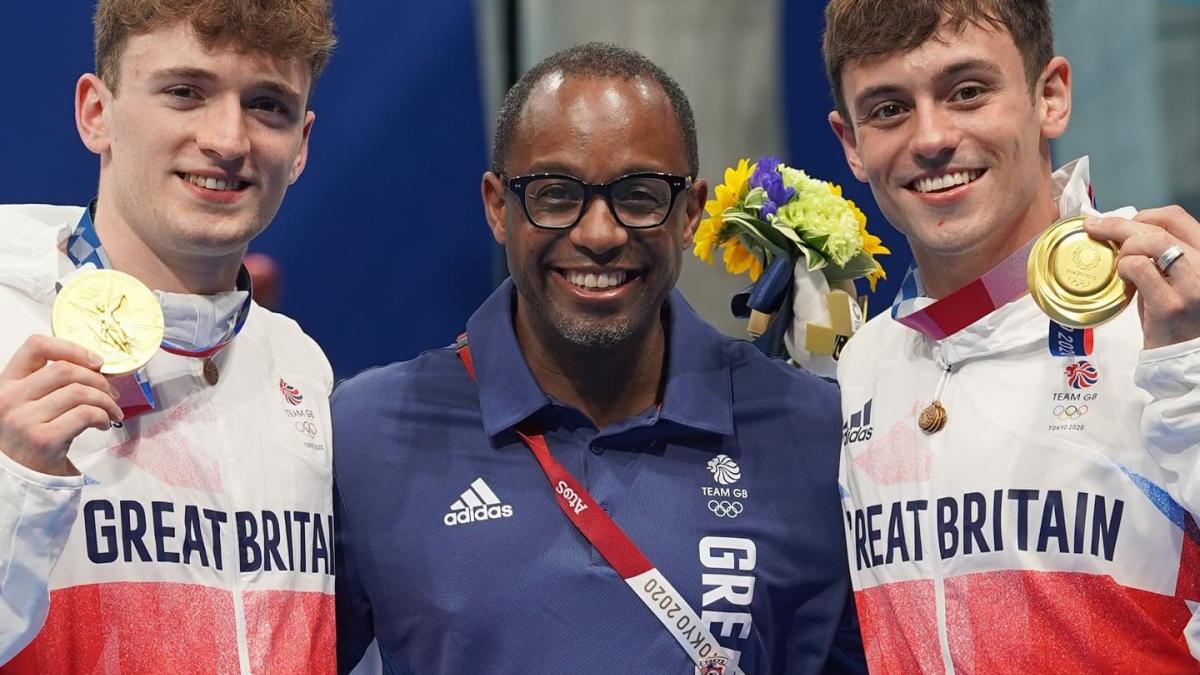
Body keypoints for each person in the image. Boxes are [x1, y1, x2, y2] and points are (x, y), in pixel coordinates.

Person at [332, 42, 865, 675]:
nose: (599, 234)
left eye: (640, 195)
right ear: (498, 207)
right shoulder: (367, 435)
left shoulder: (817, 433)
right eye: (555, 194)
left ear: (690, 213)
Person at [823, 0, 1200, 670]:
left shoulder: (1169, 317)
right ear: (851, 143)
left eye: (967, 92)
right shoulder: (865, 362)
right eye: (888, 109)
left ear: (1050, 96)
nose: (931, 137)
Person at [0, 1, 337, 672]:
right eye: (186, 92)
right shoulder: (8, 317)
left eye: (267, 105)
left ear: (301, 145)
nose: (229, 140)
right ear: (97, 113)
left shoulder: (302, 367)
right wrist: (16, 481)